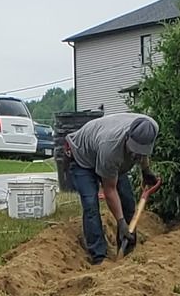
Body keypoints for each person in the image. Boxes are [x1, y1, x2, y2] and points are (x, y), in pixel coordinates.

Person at [64, 112, 159, 264]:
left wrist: (146, 170)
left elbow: (143, 152)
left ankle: (127, 249)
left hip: (109, 157)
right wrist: (121, 222)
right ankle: (99, 256)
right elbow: (109, 190)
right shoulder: (111, 146)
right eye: (133, 149)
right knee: (91, 205)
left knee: (128, 203)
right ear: (127, 136)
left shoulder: (151, 126)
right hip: (82, 157)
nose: (136, 154)